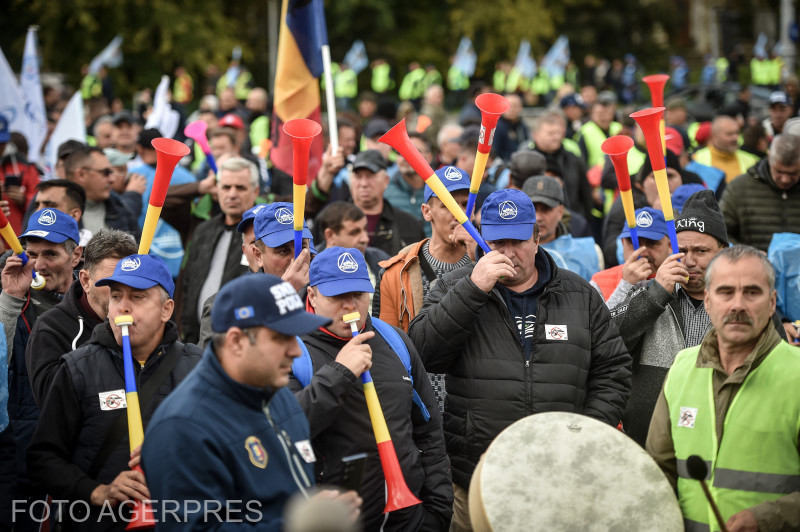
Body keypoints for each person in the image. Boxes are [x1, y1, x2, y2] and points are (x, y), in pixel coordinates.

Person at [408, 189, 631, 531]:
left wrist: (583, 433)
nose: (509, 253)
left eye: (518, 241)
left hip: (559, 477)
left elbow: (613, 371)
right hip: (475, 477)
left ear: (538, 238)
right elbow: (423, 354)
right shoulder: (455, 286)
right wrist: (473, 289)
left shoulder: (579, 294)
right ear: (483, 241)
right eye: (497, 243)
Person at [142, 273, 360, 530]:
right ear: (236, 341)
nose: (296, 350)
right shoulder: (181, 428)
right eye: (282, 338)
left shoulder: (278, 396)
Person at [26, 254, 203, 531]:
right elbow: (43, 460)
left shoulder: (200, 369)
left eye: (138, 297)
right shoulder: (77, 368)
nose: (123, 307)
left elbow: (233, 448)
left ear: (166, 310)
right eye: (117, 296)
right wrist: (96, 492)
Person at [291, 247, 453, 531]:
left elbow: (428, 430)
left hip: (409, 518)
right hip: (335, 522)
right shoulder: (290, 349)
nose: (350, 305)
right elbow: (286, 429)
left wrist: (437, 511)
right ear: (312, 296)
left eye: (358, 295)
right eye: (337, 296)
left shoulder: (395, 340)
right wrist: (339, 373)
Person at [610, 190, 787, 447]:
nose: (690, 260)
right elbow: (609, 341)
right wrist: (656, 294)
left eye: (701, 250)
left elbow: (776, 368)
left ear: (723, 251)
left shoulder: (746, 304)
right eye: (682, 250)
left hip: (722, 441)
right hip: (648, 442)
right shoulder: (650, 292)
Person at [647, 245, 800, 531]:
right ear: (707, 300)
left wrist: (767, 519)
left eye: (752, 292)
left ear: (772, 303)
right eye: (725, 292)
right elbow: (658, 473)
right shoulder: (682, 368)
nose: (738, 304)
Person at [0, 208, 82, 529]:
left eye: (51, 253)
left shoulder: (96, 304)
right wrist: (9, 298)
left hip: (77, 463)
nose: (40, 263)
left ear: (76, 256)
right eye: (31, 253)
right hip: (19, 460)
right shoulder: (9, 301)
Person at [376, 166, 474, 414]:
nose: (458, 214)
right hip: (420, 407)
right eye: (447, 205)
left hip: (473, 405)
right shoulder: (396, 272)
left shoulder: (488, 264)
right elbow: (387, 352)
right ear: (426, 211)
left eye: (465, 204)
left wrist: (478, 256)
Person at [26, 229, 138, 407]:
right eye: (112, 281)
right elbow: (52, 403)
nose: (122, 292)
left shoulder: (147, 322)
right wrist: (108, 334)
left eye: (131, 282)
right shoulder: (51, 328)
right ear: (86, 281)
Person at [196, 202, 314, 346]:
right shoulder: (227, 303)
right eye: (283, 251)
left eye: (301, 247)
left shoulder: (327, 292)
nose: (295, 259)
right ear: (258, 255)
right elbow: (214, 363)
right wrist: (282, 294)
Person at [181, 158, 258, 343]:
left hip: (238, 339)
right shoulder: (203, 230)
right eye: (225, 187)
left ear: (255, 191)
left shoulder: (263, 234)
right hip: (194, 339)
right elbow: (188, 283)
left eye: (240, 187)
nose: (232, 194)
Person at [721, 134, 800, 252]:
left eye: (793, 173)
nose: (785, 179)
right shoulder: (739, 188)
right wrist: (748, 255)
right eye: (779, 171)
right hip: (751, 267)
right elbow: (721, 233)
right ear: (769, 159)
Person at [522, 175, 603, 280]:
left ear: (560, 212)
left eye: (545, 209)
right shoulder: (508, 252)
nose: (538, 217)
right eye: (532, 209)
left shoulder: (589, 252)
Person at [590, 207, 671, 308]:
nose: (643, 252)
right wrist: (626, 286)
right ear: (623, 243)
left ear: (670, 246)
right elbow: (599, 323)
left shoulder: (680, 280)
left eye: (652, 243)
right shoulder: (600, 281)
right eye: (633, 243)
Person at [63, 146, 140, 236]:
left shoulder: (121, 209)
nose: (112, 179)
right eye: (106, 172)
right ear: (81, 175)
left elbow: (140, 249)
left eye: (111, 172)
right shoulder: (55, 213)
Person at [691, 115, 760, 184]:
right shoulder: (696, 159)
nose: (735, 138)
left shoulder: (752, 160)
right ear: (714, 136)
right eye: (730, 134)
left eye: (737, 133)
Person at [575, 91, 621, 168]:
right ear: (592, 114)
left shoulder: (619, 128)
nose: (605, 117)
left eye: (608, 113)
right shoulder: (584, 132)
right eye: (600, 114)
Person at [492, 93, 528, 162]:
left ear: (521, 108)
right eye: (508, 106)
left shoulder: (522, 126)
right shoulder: (497, 127)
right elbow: (495, 153)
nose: (512, 109)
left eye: (515, 106)